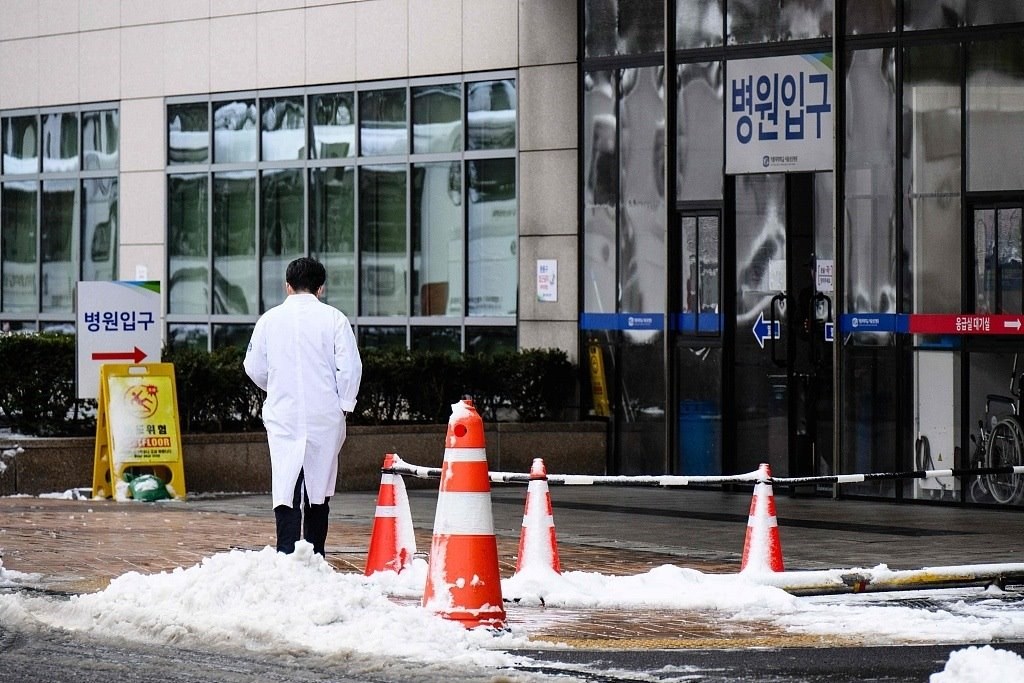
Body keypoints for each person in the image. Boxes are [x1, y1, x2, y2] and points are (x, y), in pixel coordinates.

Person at [243, 257, 362, 556]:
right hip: (325, 412)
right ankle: (315, 553)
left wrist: (276, 387)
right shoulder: (335, 319)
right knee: (320, 484)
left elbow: (253, 367)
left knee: (285, 482)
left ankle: (286, 552)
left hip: (283, 412)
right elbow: (350, 368)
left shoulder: (269, 320)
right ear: (321, 288)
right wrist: (344, 404)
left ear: (288, 286)